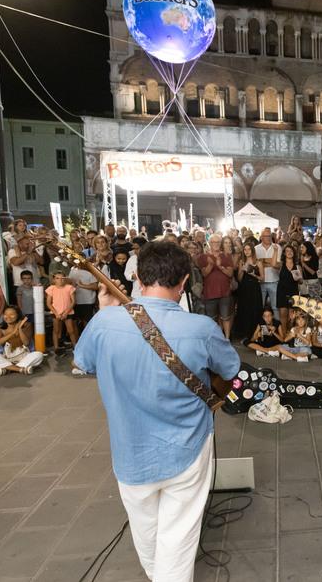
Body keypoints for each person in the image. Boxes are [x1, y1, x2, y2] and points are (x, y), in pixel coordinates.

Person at [73, 240, 239, 581]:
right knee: (178, 535)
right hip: (188, 448)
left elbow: (83, 362)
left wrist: (105, 312)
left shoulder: (104, 324)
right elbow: (231, 369)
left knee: (145, 529)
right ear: (183, 283)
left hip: (129, 450)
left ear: (137, 275)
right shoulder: (201, 328)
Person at [0, 305, 44, 375]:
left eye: (11, 314)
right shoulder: (0, 328)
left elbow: (26, 343)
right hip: (7, 357)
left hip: (24, 356)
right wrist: (13, 333)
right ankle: (19, 369)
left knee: (39, 355)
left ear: (18, 315)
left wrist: (20, 329)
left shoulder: (27, 325)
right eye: (5, 314)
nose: (8, 317)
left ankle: (7, 369)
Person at [198, 235, 235, 338]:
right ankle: (215, 338)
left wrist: (219, 266)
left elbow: (230, 274)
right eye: (214, 242)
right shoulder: (203, 257)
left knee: (226, 317)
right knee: (212, 319)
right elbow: (204, 274)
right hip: (210, 292)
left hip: (225, 291)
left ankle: (227, 338)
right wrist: (210, 264)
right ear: (210, 243)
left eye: (218, 242)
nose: (216, 244)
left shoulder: (227, 256)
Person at [233, 242, 263, 339]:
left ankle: (255, 333)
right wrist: (241, 269)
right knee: (244, 309)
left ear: (252, 250)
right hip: (244, 288)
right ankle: (245, 333)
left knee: (255, 309)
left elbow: (262, 278)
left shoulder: (258, 262)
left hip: (254, 288)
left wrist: (253, 274)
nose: (247, 251)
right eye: (245, 249)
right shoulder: (241, 262)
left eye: (249, 249)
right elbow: (239, 278)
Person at [45, 271, 78, 354]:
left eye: (62, 278)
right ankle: (56, 348)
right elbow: (48, 303)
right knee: (56, 330)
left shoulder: (69, 287)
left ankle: (76, 347)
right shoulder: (51, 288)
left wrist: (66, 313)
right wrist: (56, 313)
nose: (60, 280)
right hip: (56, 313)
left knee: (71, 330)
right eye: (57, 278)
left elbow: (73, 301)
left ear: (65, 279)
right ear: (54, 280)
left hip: (68, 312)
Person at [255, 228, 281, 320]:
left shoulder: (277, 247)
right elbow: (256, 265)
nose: (268, 238)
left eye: (269, 236)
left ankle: (278, 328)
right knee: (259, 307)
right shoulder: (256, 248)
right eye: (265, 236)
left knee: (275, 307)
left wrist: (262, 261)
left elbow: (278, 265)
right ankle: (260, 329)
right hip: (260, 282)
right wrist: (270, 261)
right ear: (261, 237)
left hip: (274, 281)